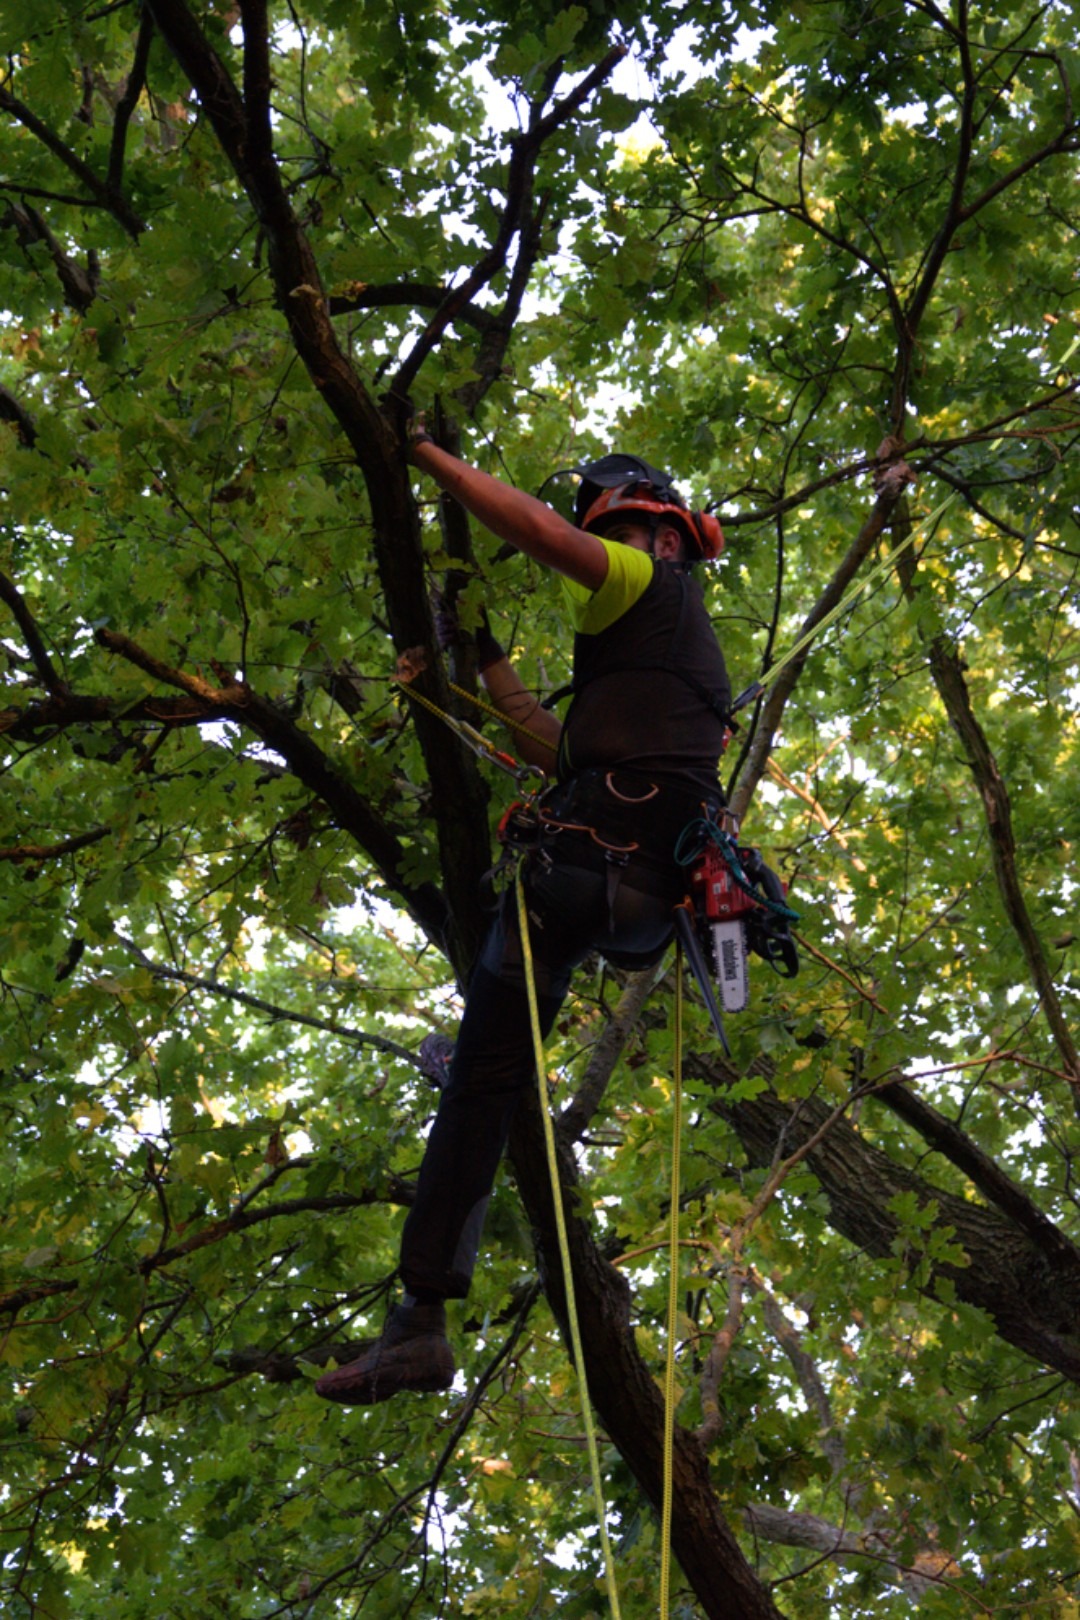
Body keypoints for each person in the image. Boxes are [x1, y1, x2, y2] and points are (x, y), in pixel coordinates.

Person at [315, 435, 729, 1406]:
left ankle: (421, 1314)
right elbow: (554, 746)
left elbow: (540, 531)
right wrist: (485, 652)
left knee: (480, 1074)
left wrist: (426, 456)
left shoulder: (655, 586)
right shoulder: (650, 674)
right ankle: (421, 1322)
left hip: (586, 872)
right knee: (482, 1076)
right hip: (617, 892)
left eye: (621, 531)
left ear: (666, 539)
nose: (608, 549)